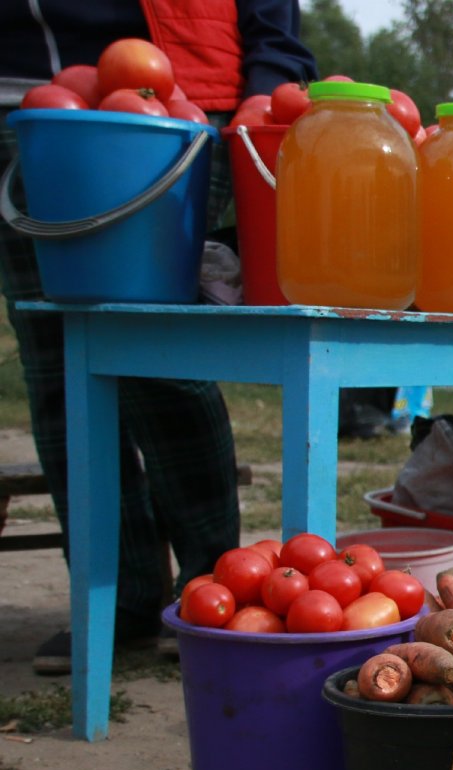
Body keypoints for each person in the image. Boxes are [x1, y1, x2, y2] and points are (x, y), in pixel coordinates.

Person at [0, 1, 318, 674]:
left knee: (166, 360)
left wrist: (267, 85)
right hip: (23, 113)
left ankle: (214, 590)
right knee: (56, 368)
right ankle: (119, 597)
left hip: (172, 116)